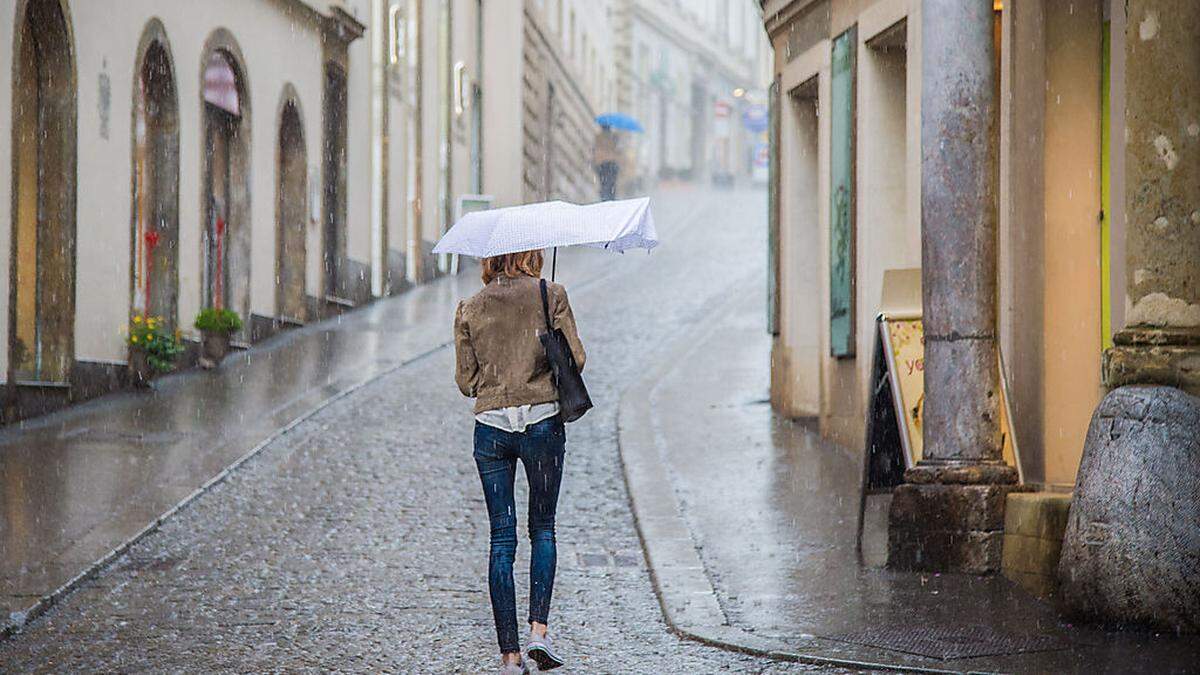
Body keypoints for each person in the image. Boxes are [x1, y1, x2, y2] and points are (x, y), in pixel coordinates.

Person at [454, 249, 586, 674]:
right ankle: (537, 632)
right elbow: (576, 360)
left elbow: (466, 381)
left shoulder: (470, 307)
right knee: (543, 528)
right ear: (531, 254)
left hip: (491, 429)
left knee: (501, 538)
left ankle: (509, 658)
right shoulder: (552, 294)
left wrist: (497, 379)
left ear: (490, 258)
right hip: (543, 424)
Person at [593, 125, 621, 201]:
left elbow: (595, 149)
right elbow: (617, 149)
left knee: (603, 183)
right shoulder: (614, 137)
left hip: (601, 163)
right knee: (611, 183)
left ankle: (604, 198)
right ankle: (611, 198)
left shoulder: (598, 137)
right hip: (612, 163)